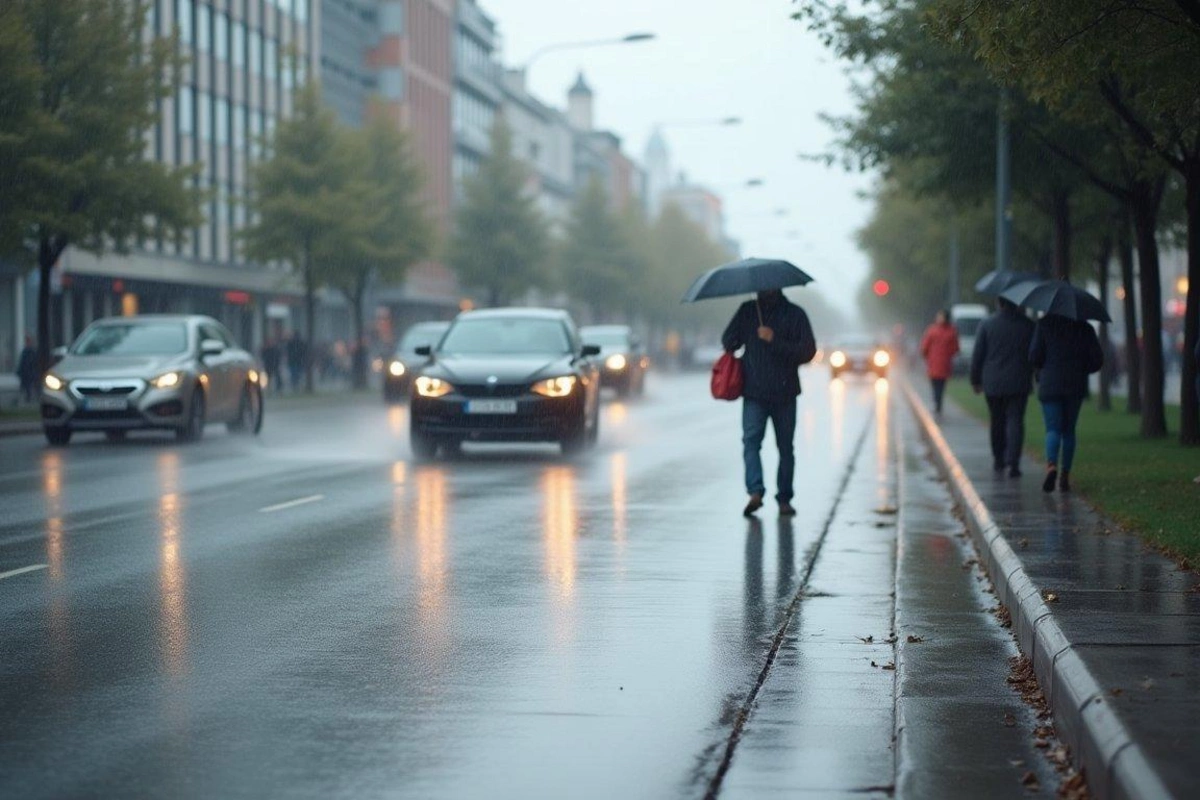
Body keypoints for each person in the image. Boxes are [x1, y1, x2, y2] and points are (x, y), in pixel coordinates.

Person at [721, 289, 817, 517]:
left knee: (785, 448)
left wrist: (774, 340)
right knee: (751, 442)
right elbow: (728, 341)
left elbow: (808, 351)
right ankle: (755, 491)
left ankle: (784, 498)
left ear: (778, 287)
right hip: (754, 392)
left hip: (785, 394)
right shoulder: (747, 311)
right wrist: (739, 337)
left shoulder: (795, 314)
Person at [1029, 314, 1104, 493]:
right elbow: (1097, 360)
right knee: (1069, 430)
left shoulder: (1044, 324)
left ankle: (1051, 466)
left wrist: (1044, 366)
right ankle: (1065, 475)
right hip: (1074, 385)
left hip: (1050, 384)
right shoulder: (1084, 327)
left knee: (1053, 429)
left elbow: (1033, 356)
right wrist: (1081, 368)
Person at [970, 299, 1035, 477]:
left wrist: (975, 380)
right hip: (1019, 381)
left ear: (999, 303)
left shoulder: (987, 324)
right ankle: (1013, 462)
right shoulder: (1028, 325)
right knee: (1016, 421)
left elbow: (978, 355)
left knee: (997, 421)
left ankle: (999, 459)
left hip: (993, 382)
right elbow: (1035, 353)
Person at [920, 309, 960, 414]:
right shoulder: (951, 331)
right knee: (940, 386)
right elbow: (955, 349)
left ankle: (937, 403)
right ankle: (938, 403)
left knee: (936, 385)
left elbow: (924, 347)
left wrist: (925, 356)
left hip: (936, 363)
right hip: (941, 364)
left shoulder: (932, 330)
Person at [16, 335, 39, 403]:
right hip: (26, 373)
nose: (27, 343)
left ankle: (30, 399)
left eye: (28, 341)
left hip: (30, 373)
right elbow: (22, 363)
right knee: (26, 388)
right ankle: (27, 399)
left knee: (29, 387)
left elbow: (34, 362)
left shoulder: (32, 351)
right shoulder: (25, 351)